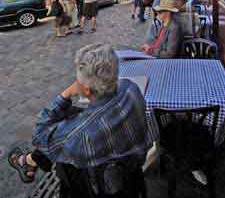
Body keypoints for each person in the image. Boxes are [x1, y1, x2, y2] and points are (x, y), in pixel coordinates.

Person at [8, 45, 149, 188]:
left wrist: (66, 94)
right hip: (132, 171)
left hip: (101, 185)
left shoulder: (80, 135)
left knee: (60, 138)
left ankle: (28, 161)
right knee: (69, 121)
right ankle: (31, 161)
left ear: (87, 90)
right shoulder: (130, 87)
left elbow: (39, 138)